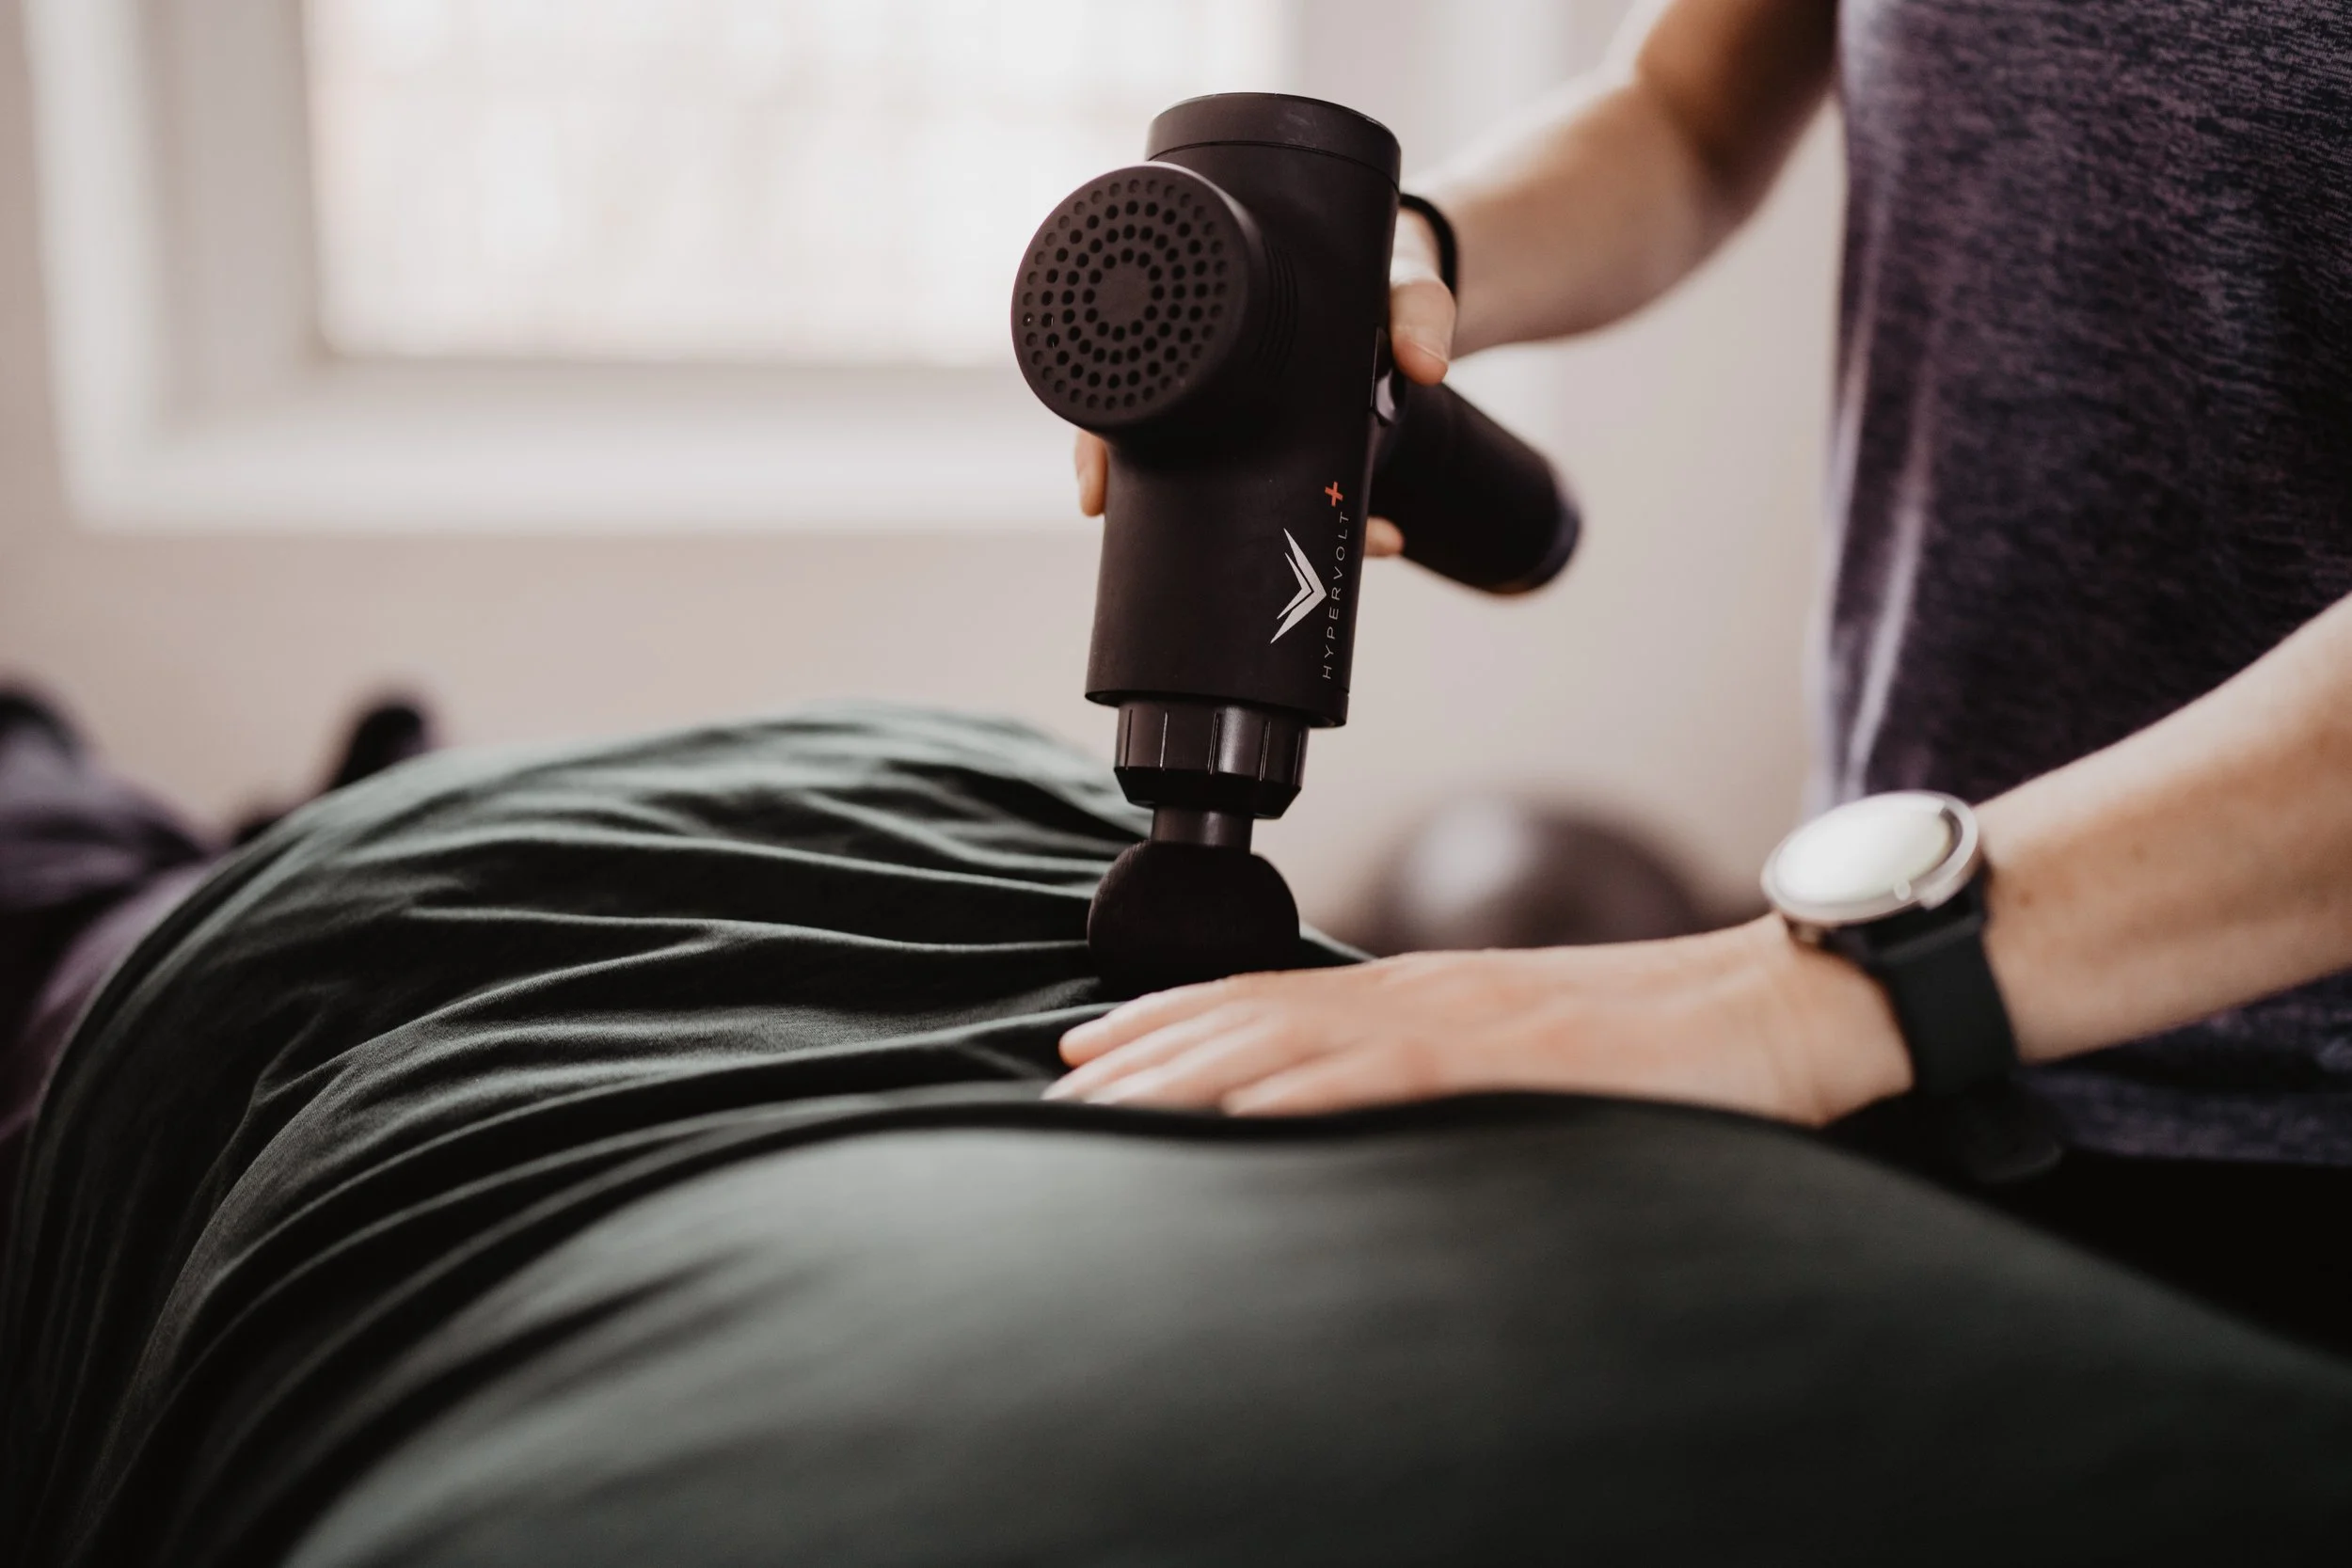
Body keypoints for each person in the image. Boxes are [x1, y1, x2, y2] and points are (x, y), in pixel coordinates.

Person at [1056, 0, 2352, 1341]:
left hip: (2277, 1121)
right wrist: (1398, 258)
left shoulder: (1820, 1003)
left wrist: (1790, 1000)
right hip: (1902, 1006)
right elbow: (1684, 118)